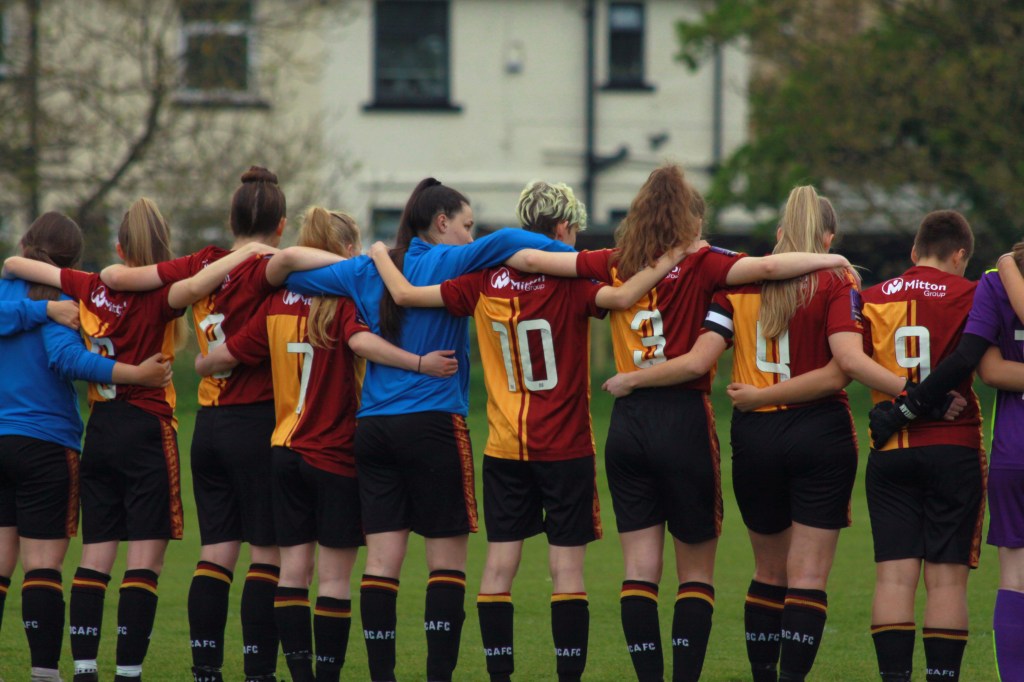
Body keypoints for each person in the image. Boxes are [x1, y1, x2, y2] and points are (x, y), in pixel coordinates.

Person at [370, 180, 691, 682]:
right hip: (564, 446)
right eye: (575, 231)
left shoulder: (480, 278)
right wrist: (677, 251)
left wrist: (378, 254)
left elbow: (409, 295)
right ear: (563, 228)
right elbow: (627, 293)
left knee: (499, 569)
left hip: (504, 447)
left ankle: (501, 677)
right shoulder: (573, 281)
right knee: (567, 572)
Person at [275, 177, 587, 682]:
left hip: (373, 430)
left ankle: (383, 676)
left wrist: (366, 262)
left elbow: (284, 269)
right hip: (433, 425)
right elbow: (514, 245)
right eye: (466, 225)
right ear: (441, 223)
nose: (472, 235)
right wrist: (583, 254)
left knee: (382, 564)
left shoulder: (369, 270)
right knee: (446, 567)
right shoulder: (454, 259)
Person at [597, 180, 891, 682]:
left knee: (767, 572)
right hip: (819, 430)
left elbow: (703, 357)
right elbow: (842, 368)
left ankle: (758, 674)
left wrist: (633, 379)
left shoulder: (736, 285)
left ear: (779, 232)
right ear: (828, 239)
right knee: (807, 577)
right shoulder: (838, 281)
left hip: (754, 439)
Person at [194, 207, 457, 682]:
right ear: (344, 250)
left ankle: (296, 674)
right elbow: (360, 344)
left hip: (282, 449)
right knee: (334, 580)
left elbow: (215, 361)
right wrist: (418, 363)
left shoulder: (275, 304)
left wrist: (202, 361)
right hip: (333, 451)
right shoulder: (344, 298)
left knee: (293, 572)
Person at [4, 200, 263, 682]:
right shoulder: (162, 296)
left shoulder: (86, 287)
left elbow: (16, 264)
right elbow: (199, 285)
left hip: (101, 429)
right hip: (146, 427)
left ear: (119, 247)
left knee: (95, 557)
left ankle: (83, 668)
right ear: (162, 253)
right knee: (144, 561)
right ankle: (127, 672)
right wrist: (247, 254)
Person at [100, 168, 287, 682]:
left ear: (231, 221)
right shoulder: (274, 266)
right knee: (266, 555)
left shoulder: (204, 263)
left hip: (208, 427)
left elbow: (120, 278)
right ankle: (258, 671)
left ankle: (205, 667)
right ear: (281, 225)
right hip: (257, 422)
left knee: (217, 553)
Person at [0, 212, 172, 682]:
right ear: (72, 259)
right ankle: (44, 672)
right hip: (46, 444)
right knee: (43, 565)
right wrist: (135, 374)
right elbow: (67, 359)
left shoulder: (5, 289)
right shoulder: (58, 298)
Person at [878, 244, 1024, 680]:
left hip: (1010, 449)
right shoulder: (986, 282)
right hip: (959, 448)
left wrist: (905, 406)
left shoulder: (996, 280)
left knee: (1014, 577)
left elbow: (988, 368)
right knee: (955, 580)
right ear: (957, 251)